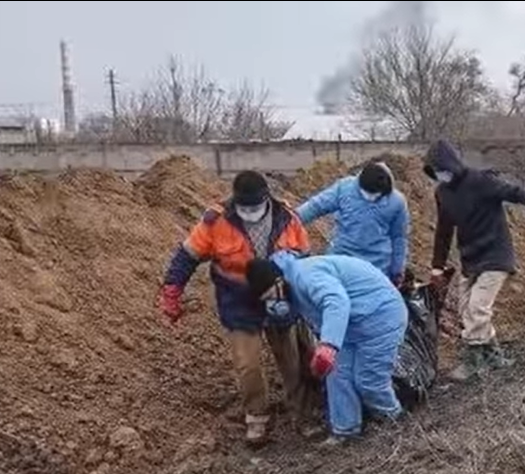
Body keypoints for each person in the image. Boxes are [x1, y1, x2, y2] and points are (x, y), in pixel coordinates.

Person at [159, 170, 312, 446]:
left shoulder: (287, 218)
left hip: (278, 294)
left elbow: (305, 259)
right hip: (237, 298)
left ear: (267, 199)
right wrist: (172, 290)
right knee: (248, 363)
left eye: (255, 207)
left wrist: (301, 297)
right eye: (244, 207)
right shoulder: (216, 220)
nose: (249, 212)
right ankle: (257, 418)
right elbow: (187, 256)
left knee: (291, 358)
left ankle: (301, 413)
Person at [422, 139, 525, 378]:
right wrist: (437, 267)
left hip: (496, 253)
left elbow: (515, 193)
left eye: (443, 169)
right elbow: (444, 231)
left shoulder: (480, 181)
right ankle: (493, 355)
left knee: (478, 307)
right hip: (470, 257)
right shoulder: (443, 193)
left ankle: (473, 360)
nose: (441, 175)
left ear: (452, 164)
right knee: (465, 309)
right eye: (436, 172)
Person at [245, 252, 407, 445]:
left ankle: (395, 423)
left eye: (272, 296)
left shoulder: (306, 275)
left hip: (380, 316)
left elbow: (336, 301)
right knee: (337, 375)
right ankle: (345, 431)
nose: (274, 303)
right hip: (351, 325)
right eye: (267, 300)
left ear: (279, 282)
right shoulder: (290, 288)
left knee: (368, 380)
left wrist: (328, 345)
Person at [295, 161, 411, 284]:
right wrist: (289, 220)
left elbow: (399, 237)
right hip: (341, 259)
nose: (370, 198)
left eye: (375, 196)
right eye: (366, 194)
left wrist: (397, 270)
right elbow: (316, 206)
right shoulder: (345, 188)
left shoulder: (397, 202)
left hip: (376, 266)